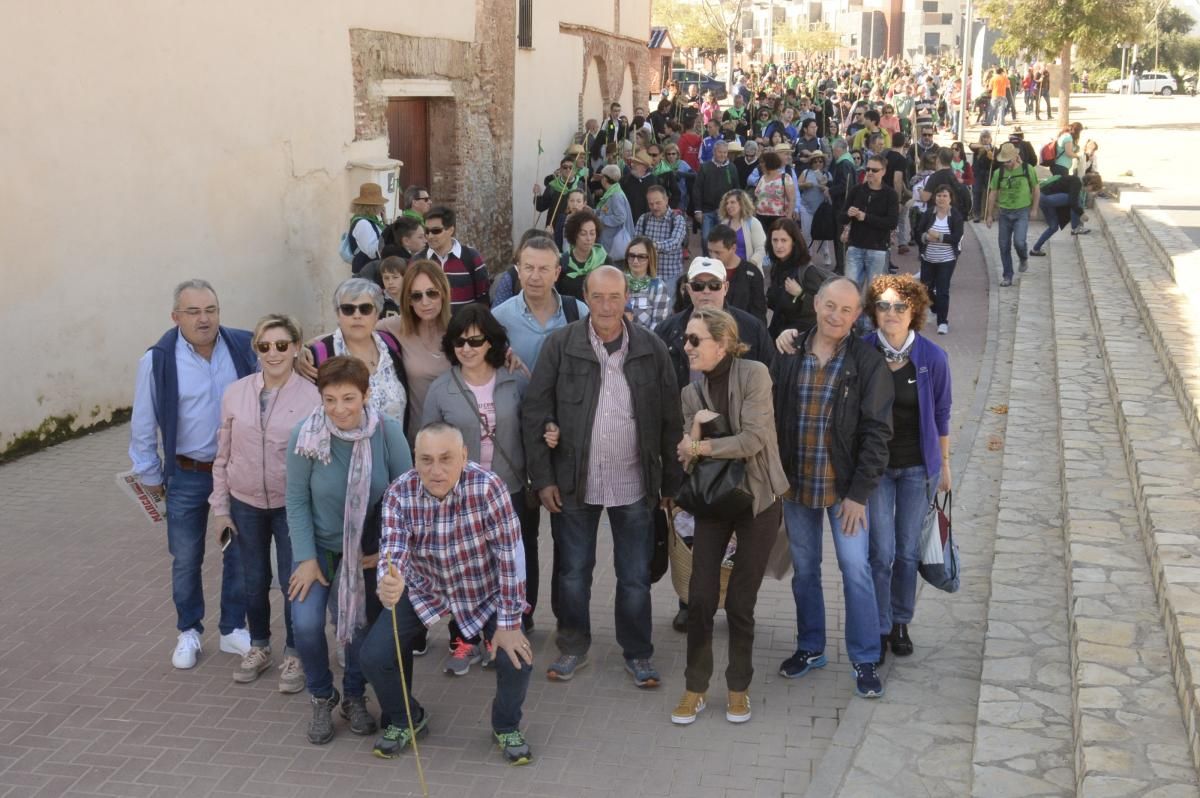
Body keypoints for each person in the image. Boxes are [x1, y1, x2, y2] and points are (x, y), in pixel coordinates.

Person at [522, 266, 683, 688]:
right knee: (573, 573)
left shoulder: (651, 348)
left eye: (615, 297)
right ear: (586, 297)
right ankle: (573, 646)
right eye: (598, 297)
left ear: (627, 296)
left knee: (634, 576)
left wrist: (672, 485)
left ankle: (638, 652)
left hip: (634, 483)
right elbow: (536, 412)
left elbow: (671, 419)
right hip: (574, 483)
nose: (607, 306)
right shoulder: (561, 345)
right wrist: (543, 479)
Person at [360, 422, 534, 764]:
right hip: (425, 586)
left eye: (445, 459)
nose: (435, 470)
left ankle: (506, 725)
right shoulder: (399, 492)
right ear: (415, 458)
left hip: (483, 591)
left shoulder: (489, 487)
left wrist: (510, 622)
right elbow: (393, 551)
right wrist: (388, 580)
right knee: (374, 656)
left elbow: (511, 558)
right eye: (425, 460)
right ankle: (406, 717)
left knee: (517, 658)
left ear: (464, 456)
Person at [771, 276, 894, 700]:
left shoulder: (866, 362)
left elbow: (878, 433)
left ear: (857, 315)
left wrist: (860, 494)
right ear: (816, 304)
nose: (836, 316)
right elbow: (770, 415)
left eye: (846, 309)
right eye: (830, 306)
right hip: (797, 485)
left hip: (846, 493)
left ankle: (864, 657)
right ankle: (810, 648)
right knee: (804, 571)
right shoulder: (789, 353)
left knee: (855, 570)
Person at [669, 308, 789, 725]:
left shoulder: (754, 374)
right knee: (700, 598)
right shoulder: (690, 393)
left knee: (740, 602)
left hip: (758, 501)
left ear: (722, 343)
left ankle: (738, 688)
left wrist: (701, 443)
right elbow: (684, 458)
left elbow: (754, 438)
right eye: (686, 338)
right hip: (715, 503)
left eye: (695, 340)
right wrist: (697, 435)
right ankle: (695, 689)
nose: (686, 346)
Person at [285, 356, 413, 745]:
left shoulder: (388, 432)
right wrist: (306, 558)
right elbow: (295, 500)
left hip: (368, 552)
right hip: (320, 550)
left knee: (356, 628)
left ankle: (354, 696)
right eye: (329, 400)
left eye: (348, 398)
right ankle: (323, 695)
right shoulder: (303, 436)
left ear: (366, 395)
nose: (339, 409)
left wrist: (388, 552)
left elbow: (405, 496)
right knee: (306, 625)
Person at [130, 279, 252, 669]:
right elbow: (144, 421)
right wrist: (148, 472)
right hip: (187, 474)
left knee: (238, 552)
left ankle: (233, 628)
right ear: (175, 316)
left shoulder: (243, 345)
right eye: (194, 311)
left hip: (235, 471)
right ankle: (189, 631)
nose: (204, 319)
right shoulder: (158, 359)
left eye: (211, 310)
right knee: (185, 556)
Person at [210, 314, 319, 690]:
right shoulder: (235, 392)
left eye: (281, 345)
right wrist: (220, 509)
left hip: (293, 505)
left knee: (294, 579)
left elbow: (318, 459)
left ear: (296, 348)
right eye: (264, 346)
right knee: (253, 579)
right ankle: (259, 645)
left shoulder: (311, 396)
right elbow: (222, 455)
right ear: (255, 349)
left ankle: (295, 653)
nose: (273, 353)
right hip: (245, 502)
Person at [422, 304, 540, 636]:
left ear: (491, 342)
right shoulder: (441, 388)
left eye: (475, 341)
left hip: (511, 488)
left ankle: (515, 623)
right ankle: (463, 636)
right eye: (459, 343)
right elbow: (429, 443)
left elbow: (534, 424)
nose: (467, 349)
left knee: (515, 557)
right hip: (461, 494)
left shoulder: (515, 378)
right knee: (463, 566)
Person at [863, 274, 951, 663]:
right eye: (883, 305)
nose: (891, 313)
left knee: (907, 551)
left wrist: (944, 466)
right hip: (876, 469)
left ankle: (901, 621)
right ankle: (880, 626)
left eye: (900, 305)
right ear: (874, 312)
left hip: (918, 468)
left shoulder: (932, 357)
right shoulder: (863, 351)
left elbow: (943, 414)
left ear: (913, 310)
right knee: (880, 551)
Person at [655, 257, 774, 396]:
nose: (706, 291)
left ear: (726, 287)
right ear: (688, 289)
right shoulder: (666, 330)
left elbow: (770, 379)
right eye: (698, 285)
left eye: (714, 285)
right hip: (682, 414)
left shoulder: (752, 329)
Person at [308, 278, 410, 427]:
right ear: (338, 314)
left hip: (393, 447)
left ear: (377, 314)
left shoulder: (391, 345)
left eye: (365, 309)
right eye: (348, 309)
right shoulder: (318, 355)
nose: (357, 315)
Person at [375, 260, 454, 442]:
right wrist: (304, 352)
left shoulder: (460, 328)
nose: (425, 302)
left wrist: (507, 354)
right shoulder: (397, 326)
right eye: (416, 296)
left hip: (457, 435)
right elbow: (353, 329)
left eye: (432, 293)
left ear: (443, 293)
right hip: (418, 437)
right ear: (408, 300)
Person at [841, 154, 899, 326]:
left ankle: (869, 327)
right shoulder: (857, 191)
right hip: (855, 247)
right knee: (851, 289)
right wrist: (848, 214)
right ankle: (851, 324)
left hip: (877, 249)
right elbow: (841, 217)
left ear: (883, 171)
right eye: (868, 169)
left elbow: (891, 222)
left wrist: (866, 217)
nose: (870, 173)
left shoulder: (890, 195)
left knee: (873, 292)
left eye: (875, 170)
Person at [766, 218, 832, 339]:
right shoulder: (777, 266)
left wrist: (801, 294)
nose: (778, 245)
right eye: (774, 240)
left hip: (800, 337)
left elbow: (822, 307)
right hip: (778, 331)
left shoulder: (806, 270)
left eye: (784, 240)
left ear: (794, 242)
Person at [986, 141, 1039, 287]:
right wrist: (989, 215)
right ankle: (1007, 275)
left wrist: (1034, 209)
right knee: (1003, 245)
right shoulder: (999, 173)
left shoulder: (1027, 169)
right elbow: (993, 193)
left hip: (1022, 210)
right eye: (1004, 161)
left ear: (1016, 157)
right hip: (1004, 212)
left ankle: (1023, 257)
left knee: (1019, 242)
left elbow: (1036, 189)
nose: (1006, 164)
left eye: (1008, 161)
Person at [419, 206, 490, 315]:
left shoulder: (471, 257)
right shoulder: (418, 260)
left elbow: (483, 297)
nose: (430, 236)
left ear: (450, 230)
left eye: (436, 231)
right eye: (427, 231)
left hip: (463, 328)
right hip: (428, 329)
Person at [915, 184, 965, 335]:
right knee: (926, 288)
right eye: (939, 195)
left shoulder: (955, 216)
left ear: (950, 199)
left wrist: (939, 237)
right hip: (928, 258)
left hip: (947, 259)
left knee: (943, 290)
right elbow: (918, 231)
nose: (941, 198)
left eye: (945, 196)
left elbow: (957, 237)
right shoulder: (929, 213)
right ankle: (935, 308)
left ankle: (943, 322)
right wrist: (925, 237)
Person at [633, 185, 688, 296]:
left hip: (670, 276)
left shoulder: (677, 219)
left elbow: (675, 243)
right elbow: (636, 245)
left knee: (668, 311)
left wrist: (652, 246)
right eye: (651, 204)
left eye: (658, 203)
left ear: (666, 200)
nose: (654, 207)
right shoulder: (643, 219)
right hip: (647, 276)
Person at [705, 225, 767, 324]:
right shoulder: (704, 272)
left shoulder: (752, 274)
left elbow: (759, 312)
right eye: (710, 251)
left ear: (733, 248)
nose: (713, 257)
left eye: (718, 252)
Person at [1029, 174, 1101, 256]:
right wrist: (1082, 214)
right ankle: (1075, 228)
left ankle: (1035, 249)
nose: (1091, 191)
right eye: (1093, 188)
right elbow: (1073, 202)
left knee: (1053, 227)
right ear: (1089, 183)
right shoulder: (1076, 182)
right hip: (1046, 198)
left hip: (1043, 199)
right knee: (1075, 200)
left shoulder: (1075, 182)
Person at [693, 140, 740, 256]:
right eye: (720, 152)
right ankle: (706, 260)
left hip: (724, 211)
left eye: (725, 152)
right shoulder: (705, 167)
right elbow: (697, 189)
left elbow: (736, 189)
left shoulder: (732, 168)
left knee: (723, 240)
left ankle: (721, 262)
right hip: (707, 210)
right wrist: (698, 210)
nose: (723, 155)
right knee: (705, 238)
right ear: (714, 152)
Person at [558, 208, 612, 301]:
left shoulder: (604, 260)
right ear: (574, 235)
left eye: (592, 233)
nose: (589, 238)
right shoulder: (563, 261)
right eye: (583, 234)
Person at [535, 153, 587, 248]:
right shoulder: (553, 186)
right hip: (554, 228)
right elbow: (540, 207)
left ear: (575, 170)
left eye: (571, 167)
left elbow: (588, 207)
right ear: (561, 169)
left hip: (577, 227)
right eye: (565, 167)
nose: (568, 170)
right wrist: (537, 194)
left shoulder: (581, 186)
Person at [623, 236, 672, 329]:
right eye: (632, 255)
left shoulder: (658, 287)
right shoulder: (617, 282)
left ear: (650, 259)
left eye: (641, 257)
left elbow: (657, 326)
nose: (635, 261)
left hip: (643, 341)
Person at [717, 190, 767, 271]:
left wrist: (749, 265)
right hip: (727, 270)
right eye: (727, 203)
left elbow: (761, 248)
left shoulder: (753, 222)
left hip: (748, 270)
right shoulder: (724, 224)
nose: (728, 206)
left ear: (742, 204)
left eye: (732, 202)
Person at [595, 165, 634, 262]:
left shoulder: (615, 195)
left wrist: (600, 219)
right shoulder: (612, 192)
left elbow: (620, 217)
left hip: (613, 242)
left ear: (605, 179)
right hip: (610, 240)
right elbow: (605, 210)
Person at [346, 183, 388, 274]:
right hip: (366, 272)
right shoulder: (363, 223)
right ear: (373, 206)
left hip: (370, 269)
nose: (383, 206)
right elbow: (372, 252)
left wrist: (385, 222)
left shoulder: (371, 220)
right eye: (380, 203)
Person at [753, 150, 795, 233]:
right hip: (760, 216)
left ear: (769, 163)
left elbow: (792, 199)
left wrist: (789, 217)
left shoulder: (785, 178)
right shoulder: (762, 178)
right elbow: (757, 196)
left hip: (778, 217)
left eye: (762, 162)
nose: (760, 165)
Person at [969, 131, 995, 223]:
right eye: (983, 137)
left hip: (988, 173)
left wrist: (992, 156)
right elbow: (970, 145)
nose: (985, 139)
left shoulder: (994, 148)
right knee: (977, 193)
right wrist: (983, 146)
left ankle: (989, 214)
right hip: (978, 174)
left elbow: (996, 163)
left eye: (987, 137)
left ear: (990, 139)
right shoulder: (977, 148)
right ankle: (976, 214)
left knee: (990, 194)